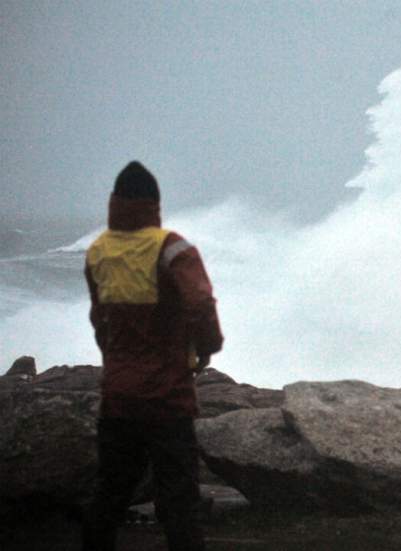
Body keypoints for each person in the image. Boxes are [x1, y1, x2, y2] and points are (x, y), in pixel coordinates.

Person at [82, 161, 223, 551]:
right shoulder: (172, 248)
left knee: (109, 493)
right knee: (179, 498)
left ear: (115, 202)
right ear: (154, 204)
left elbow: (100, 322)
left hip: (119, 397)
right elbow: (200, 302)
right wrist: (207, 346)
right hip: (167, 396)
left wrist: (117, 364)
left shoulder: (98, 252)